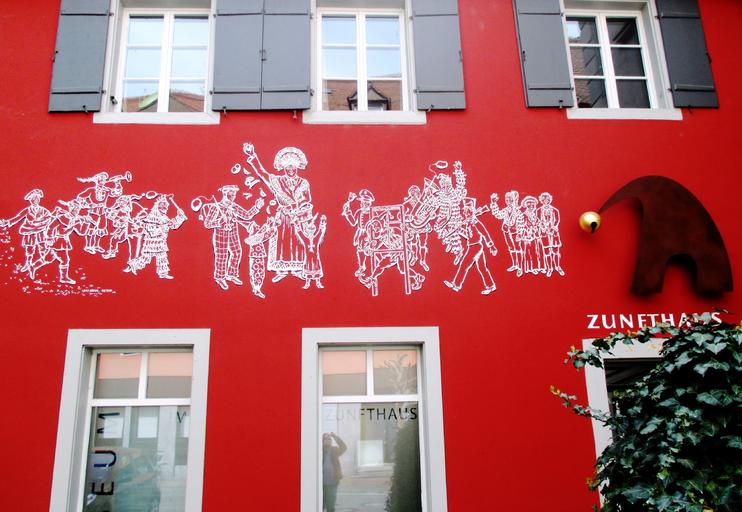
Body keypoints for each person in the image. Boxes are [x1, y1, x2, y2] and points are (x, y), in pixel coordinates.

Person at [243, 143, 312, 283]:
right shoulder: (277, 181)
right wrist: (252, 155)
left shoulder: (303, 182)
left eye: (293, 167)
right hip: (283, 217)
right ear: (284, 168)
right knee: (282, 241)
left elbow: (307, 198)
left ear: (297, 167)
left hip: (298, 217)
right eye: (288, 167)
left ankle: (297, 269)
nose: (290, 170)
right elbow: (262, 173)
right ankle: (281, 270)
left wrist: (294, 206)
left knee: (298, 241)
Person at [201, 185, 263, 290]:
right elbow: (207, 224)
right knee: (222, 256)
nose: (234, 196)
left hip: (233, 234)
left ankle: (232, 274)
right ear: (225, 193)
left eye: (234, 194)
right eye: (232, 194)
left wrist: (256, 207)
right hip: (221, 235)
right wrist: (220, 221)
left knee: (237, 252)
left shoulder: (234, 206)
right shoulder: (216, 207)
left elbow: (246, 215)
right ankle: (220, 277)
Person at [30, 198, 90, 284]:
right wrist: (49, 238)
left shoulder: (76, 219)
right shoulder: (62, 217)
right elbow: (50, 227)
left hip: (64, 240)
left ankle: (33, 266)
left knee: (48, 258)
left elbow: (81, 232)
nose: (76, 210)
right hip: (57, 241)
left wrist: (86, 223)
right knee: (65, 260)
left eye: (78, 208)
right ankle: (64, 278)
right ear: (70, 208)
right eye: (74, 207)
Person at [444, 198, 497, 294]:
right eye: (464, 211)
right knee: (482, 268)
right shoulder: (468, 223)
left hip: (475, 247)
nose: (464, 213)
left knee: (464, 265)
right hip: (474, 246)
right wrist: (459, 230)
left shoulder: (475, 222)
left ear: (470, 211)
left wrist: (491, 246)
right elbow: (469, 236)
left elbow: (485, 233)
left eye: (465, 211)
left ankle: (456, 285)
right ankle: (491, 286)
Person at [126, 195, 186, 279]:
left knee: (162, 258)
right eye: (162, 206)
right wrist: (165, 226)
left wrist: (180, 217)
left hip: (161, 242)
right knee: (145, 258)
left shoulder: (164, 217)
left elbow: (173, 225)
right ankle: (133, 265)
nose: (165, 208)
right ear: (157, 207)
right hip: (151, 243)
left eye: (165, 206)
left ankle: (163, 274)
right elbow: (153, 232)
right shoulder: (151, 218)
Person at [0, 188, 52, 277]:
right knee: (29, 249)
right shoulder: (27, 210)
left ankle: (41, 265)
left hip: (40, 233)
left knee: (43, 248)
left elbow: (48, 218)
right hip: (29, 232)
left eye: (37, 199)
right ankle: (28, 263)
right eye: (33, 199)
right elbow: (18, 217)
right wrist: (7, 222)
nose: (35, 201)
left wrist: (39, 223)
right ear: (31, 200)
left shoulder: (43, 210)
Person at [341, 189, 375, 278]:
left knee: (370, 250)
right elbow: (353, 222)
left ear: (369, 203)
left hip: (370, 234)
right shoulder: (359, 212)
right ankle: (362, 266)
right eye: (362, 202)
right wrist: (348, 213)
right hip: (360, 233)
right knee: (360, 250)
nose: (363, 204)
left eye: (366, 202)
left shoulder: (373, 212)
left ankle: (374, 268)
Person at [490, 190, 523, 275]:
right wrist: (494, 203)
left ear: (515, 200)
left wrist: (520, 233)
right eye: (507, 200)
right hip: (506, 231)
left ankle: (520, 267)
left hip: (515, 232)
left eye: (511, 200)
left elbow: (521, 222)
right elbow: (498, 215)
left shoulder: (518, 212)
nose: (508, 202)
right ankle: (515, 264)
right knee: (511, 247)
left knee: (517, 248)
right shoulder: (505, 210)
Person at [295, 214, 327, 289]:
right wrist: (297, 224)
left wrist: (322, 222)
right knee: (308, 269)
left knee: (317, 268)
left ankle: (318, 283)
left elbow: (320, 231)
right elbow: (300, 233)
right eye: (309, 231)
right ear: (307, 232)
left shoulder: (316, 239)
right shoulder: (305, 239)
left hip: (315, 258)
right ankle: (307, 283)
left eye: (312, 231)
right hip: (308, 259)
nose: (311, 233)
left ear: (313, 231)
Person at [538, 192, 565, 277]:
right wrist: (543, 228)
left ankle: (557, 267)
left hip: (554, 232)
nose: (546, 201)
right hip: (544, 233)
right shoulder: (538, 211)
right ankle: (549, 268)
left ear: (550, 200)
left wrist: (553, 227)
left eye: (547, 200)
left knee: (556, 250)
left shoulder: (555, 210)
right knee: (546, 252)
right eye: (544, 200)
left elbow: (557, 220)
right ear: (541, 201)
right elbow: (538, 221)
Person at [322, 433, 347, 512]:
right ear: (322, 441)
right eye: (326, 439)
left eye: (329, 439)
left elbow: (344, 447)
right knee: (320, 505)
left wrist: (335, 437)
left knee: (330, 505)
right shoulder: (319, 451)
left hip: (332, 482)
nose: (328, 440)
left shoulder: (334, 450)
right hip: (320, 484)